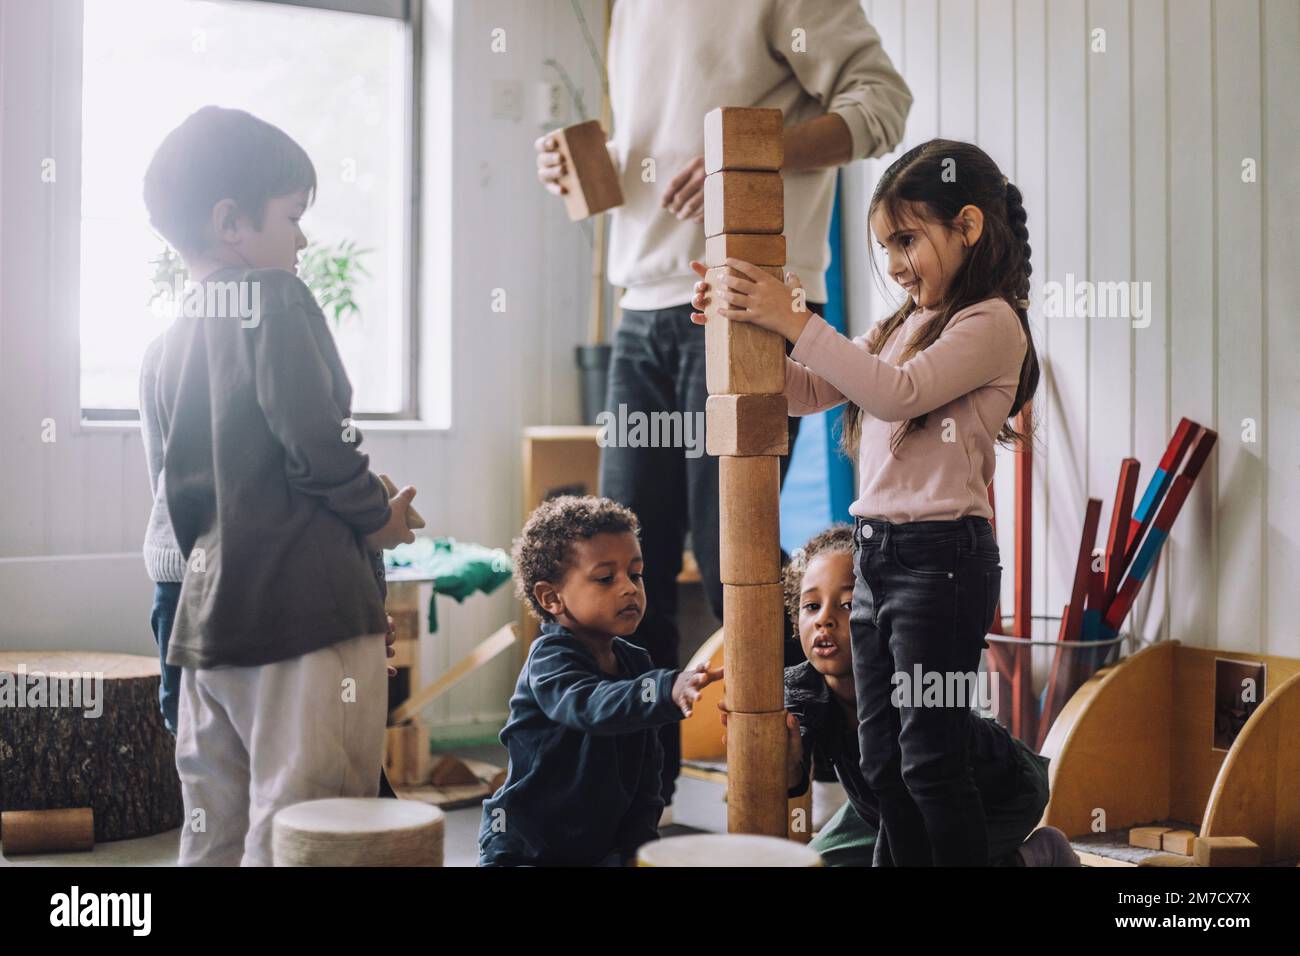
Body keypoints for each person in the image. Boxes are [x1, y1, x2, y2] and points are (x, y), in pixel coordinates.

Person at [535, 0, 913, 816]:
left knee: (732, 558)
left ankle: (815, 793)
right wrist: (588, 169)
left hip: (747, 300)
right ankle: (642, 801)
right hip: (640, 308)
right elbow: (660, 142)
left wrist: (749, 154)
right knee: (619, 573)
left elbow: (883, 104)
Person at [692, 139, 1041, 866]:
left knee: (930, 763)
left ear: (969, 226)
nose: (894, 263)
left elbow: (896, 392)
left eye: (908, 239)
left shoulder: (991, 322)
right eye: (885, 246)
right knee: (883, 764)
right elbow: (809, 387)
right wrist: (736, 326)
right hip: (880, 559)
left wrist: (792, 317)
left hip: (942, 565)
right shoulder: (899, 324)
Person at [143, 105, 416, 865]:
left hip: (207, 631)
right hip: (305, 622)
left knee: (215, 823)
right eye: (293, 217)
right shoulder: (276, 299)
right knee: (310, 822)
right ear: (231, 222)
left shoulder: (169, 344)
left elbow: (180, 497)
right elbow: (318, 447)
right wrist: (377, 520)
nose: (302, 238)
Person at [772, 525, 1078, 866]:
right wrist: (784, 756)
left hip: (997, 793)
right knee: (814, 863)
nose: (824, 620)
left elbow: (931, 788)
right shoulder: (801, 688)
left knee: (929, 857)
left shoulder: (908, 681)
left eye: (846, 605)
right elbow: (790, 776)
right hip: (884, 808)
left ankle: (1038, 855)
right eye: (811, 606)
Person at [479, 496, 720, 866]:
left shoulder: (636, 663)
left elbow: (647, 772)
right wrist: (662, 688)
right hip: (525, 846)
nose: (628, 588)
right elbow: (591, 704)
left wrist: (638, 847)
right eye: (606, 578)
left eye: (635, 574)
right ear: (551, 597)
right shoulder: (549, 660)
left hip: (597, 847)